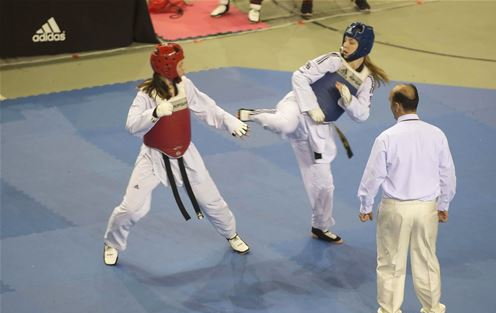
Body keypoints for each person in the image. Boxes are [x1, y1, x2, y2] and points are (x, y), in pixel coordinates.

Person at [238, 22, 388, 244]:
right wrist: (311, 106)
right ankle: (256, 114)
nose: (345, 45)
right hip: (298, 108)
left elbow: (362, 115)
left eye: (352, 42)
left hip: (319, 129)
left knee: (324, 184)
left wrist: (348, 101)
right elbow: (299, 76)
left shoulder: (367, 80)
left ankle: (320, 226)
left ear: (364, 47)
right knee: (284, 125)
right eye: (345, 39)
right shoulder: (332, 59)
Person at [103, 43, 251, 266]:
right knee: (131, 207)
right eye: (180, 64)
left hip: (186, 154)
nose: (185, 67)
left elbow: (207, 108)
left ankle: (231, 233)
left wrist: (229, 121)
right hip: (153, 157)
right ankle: (112, 243)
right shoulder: (146, 94)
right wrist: (154, 113)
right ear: (168, 68)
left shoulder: (185, 86)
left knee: (211, 201)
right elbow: (131, 125)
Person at [357, 84, 456, 313]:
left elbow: (373, 176)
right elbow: (447, 173)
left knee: (390, 263)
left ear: (397, 106)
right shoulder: (437, 134)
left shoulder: (387, 138)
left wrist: (365, 205)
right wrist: (443, 204)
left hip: (395, 209)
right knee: (427, 260)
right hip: (426, 208)